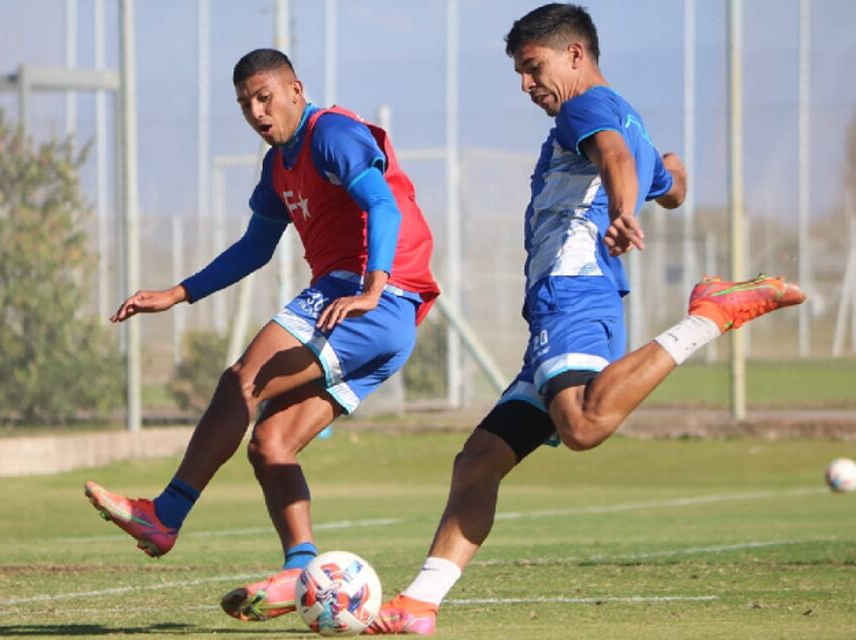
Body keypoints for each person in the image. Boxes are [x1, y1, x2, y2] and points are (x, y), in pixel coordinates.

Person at [366, 4, 804, 635]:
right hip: (563, 302)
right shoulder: (621, 116)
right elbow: (669, 180)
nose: (526, 83)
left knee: (584, 422)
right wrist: (669, 170)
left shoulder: (585, 108)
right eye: (519, 71)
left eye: (532, 66)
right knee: (480, 460)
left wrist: (626, 207)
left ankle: (710, 315)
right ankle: (420, 603)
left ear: (575, 55)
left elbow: (616, 159)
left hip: (572, 291)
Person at [83, 48, 439, 624]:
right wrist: (177, 293)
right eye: (245, 103)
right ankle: (302, 569)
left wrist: (372, 288)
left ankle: (166, 514)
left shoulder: (333, 134)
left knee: (241, 379)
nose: (256, 111)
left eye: (264, 97)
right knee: (271, 445)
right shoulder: (279, 167)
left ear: (296, 89)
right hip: (381, 319)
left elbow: (381, 203)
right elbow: (255, 247)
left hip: (370, 298)